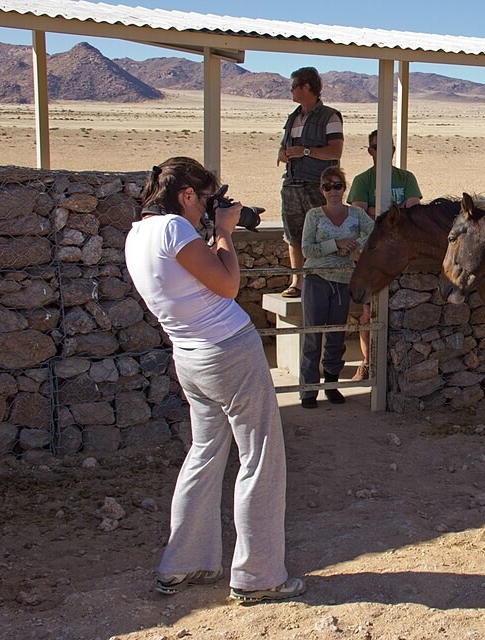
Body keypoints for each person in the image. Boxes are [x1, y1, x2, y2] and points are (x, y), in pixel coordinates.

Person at [125, 156, 305, 604]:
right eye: (205, 199)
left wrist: (214, 230)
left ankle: (184, 562)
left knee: (204, 455)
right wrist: (224, 230)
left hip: (190, 355)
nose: (207, 207)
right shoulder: (173, 228)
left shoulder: (138, 234)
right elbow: (227, 285)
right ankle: (259, 575)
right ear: (186, 194)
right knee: (260, 458)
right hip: (229, 350)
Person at [346, 130, 422, 379]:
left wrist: (377, 212)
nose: (384, 152)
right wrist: (394, 214)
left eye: (389, 147)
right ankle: (367, 362)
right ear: (370, 151)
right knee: (369, 312)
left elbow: (414, 211)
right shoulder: (362, 181)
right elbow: (359, 215)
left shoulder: (406, 177)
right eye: (379, 147)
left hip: (401, 254)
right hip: (374, 256)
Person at [300, 165, 374, 408]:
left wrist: (355, 244)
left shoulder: (356, 214)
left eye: (337, 186)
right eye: (327, 186)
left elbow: (375, 232)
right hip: (316, 279)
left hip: (343, 280)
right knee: (312, 336)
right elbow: (307, 249)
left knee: (336, 335)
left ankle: (331, 385)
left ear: (344, 188)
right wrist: (336, 244)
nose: (333, 191)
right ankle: (308, 390)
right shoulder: (314, 216)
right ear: (322, 190)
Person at [277, 67, 344, 299]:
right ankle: (297, 283)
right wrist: (283, 153)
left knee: (323, 234)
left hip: (318, 185)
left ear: (306, 87)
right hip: (292, 184)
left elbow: (335, 151)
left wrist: (305, 151)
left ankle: (325, 281)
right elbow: (284, 145)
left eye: (294, 86)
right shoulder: (293, 118)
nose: (291, 91)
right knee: (293, 235)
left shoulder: (330, 116)